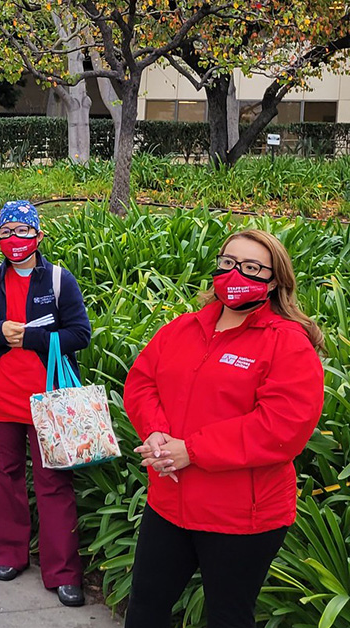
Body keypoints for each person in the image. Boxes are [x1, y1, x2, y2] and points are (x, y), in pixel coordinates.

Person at [123, 229, 325, 628]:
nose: (236, 274)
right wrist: (157, 432)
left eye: (251, 267)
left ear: (273, 281)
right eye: (228, 263)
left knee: (228, 617)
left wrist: (191, 450)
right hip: (169, 503)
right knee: (145, 607)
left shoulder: (287, 344)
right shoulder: (183, 329)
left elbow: (281, 427)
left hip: (241, 516)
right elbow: (142, 381)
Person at [0, 201, 89, 608]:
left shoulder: (58, 281)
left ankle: (64, 573)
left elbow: (80, 334)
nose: (14, 239)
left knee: (54, 484)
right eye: (7, 231)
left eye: (22, 231)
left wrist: (30, 338)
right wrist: (0, 331)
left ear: (38, 236)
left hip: (47, 401)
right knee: (6, 477)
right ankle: (11, 554)